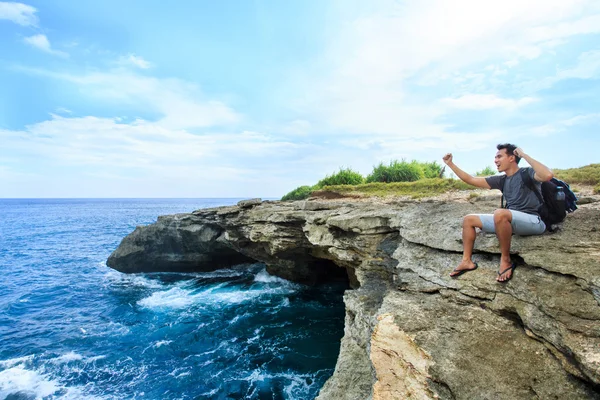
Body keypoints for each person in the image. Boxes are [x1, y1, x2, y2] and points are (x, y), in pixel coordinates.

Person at [442, 144, 554, 282]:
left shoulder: (527, 173)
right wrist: (450, 164)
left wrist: (524, 155)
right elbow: (470, 180)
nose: (495, 160)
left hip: (534, 221)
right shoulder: (502, 180)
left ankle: (505, 260)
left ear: (512, 158)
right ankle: (466, 261)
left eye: (499, 156)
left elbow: (548, 175)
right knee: (468, 219)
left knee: (500, 213)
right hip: (511, 220)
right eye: (495, 157)